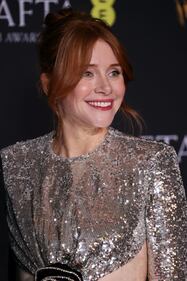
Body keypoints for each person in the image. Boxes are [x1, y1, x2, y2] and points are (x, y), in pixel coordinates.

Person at [0, 6, 187, 281]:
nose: (106, 87)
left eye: (114, 72)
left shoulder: (149, 163)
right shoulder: (16, 165)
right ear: (49, 84)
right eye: (87, 73)